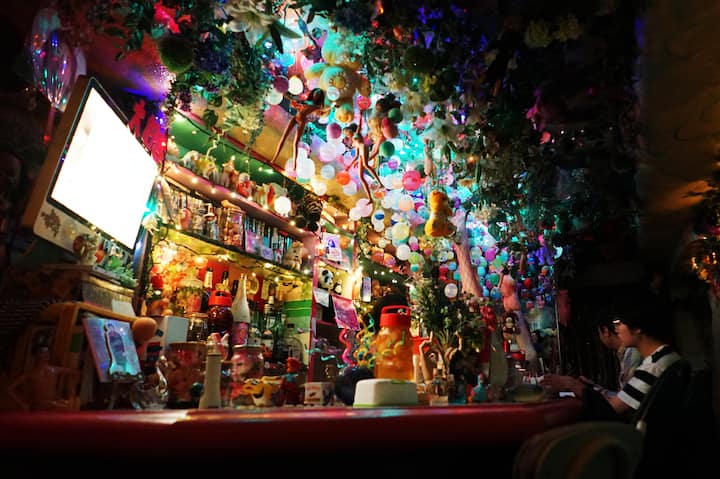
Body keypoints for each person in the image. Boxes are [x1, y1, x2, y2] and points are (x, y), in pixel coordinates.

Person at [541, 314, 643, 399]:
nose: (616, 329)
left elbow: (622, 404)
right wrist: (591, 388)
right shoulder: (625, 353)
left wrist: (571, 384)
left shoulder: (633, 352)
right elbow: (622, 398)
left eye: (619, 325)